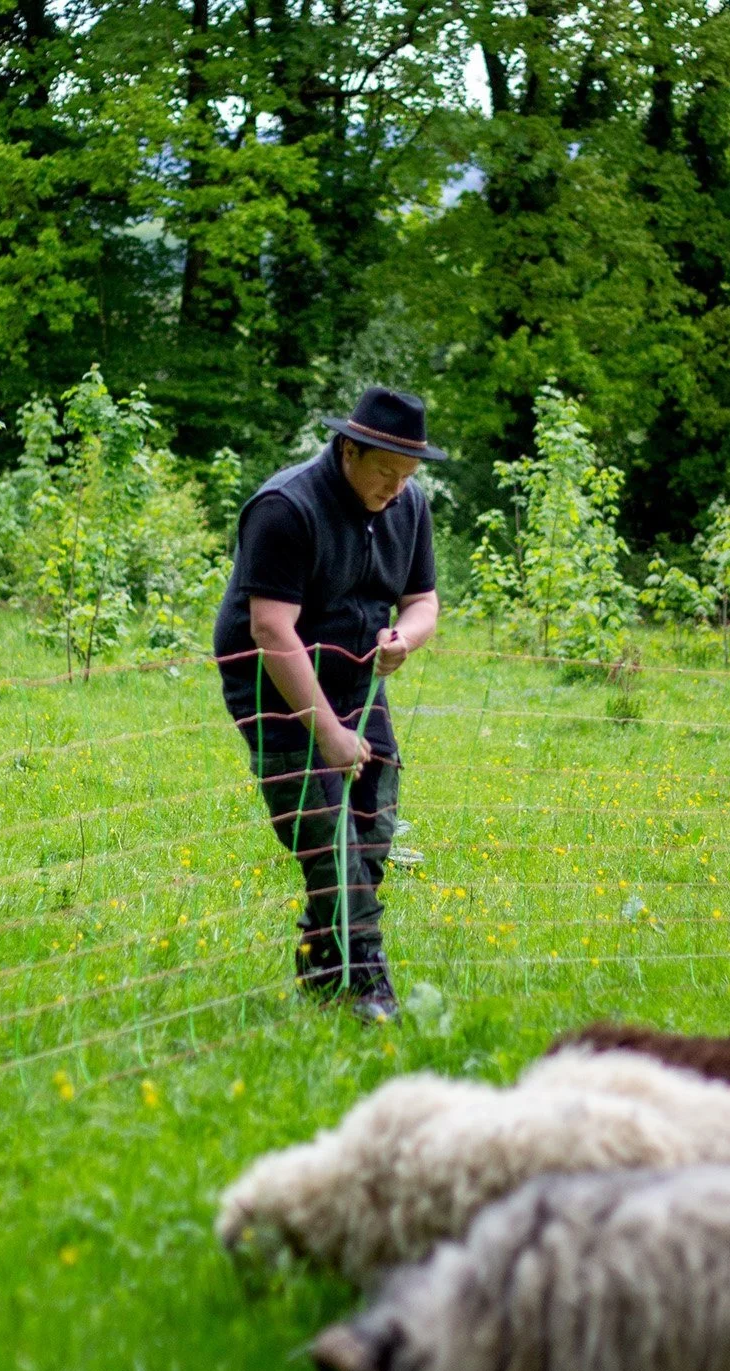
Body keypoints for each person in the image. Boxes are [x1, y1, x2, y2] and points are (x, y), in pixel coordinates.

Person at [213, 386, 444, 1023]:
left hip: (357, 681)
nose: (398, 488)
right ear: (348, 450)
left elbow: (422, 602)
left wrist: (405, 639)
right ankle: (367, 982)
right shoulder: (286, 508)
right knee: (324, 832)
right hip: (275, 684)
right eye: (387, 472)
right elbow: (270, 630)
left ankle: (322, 966)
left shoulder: (408, 505)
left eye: (409, 474)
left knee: (372, 827)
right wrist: (328, 734)